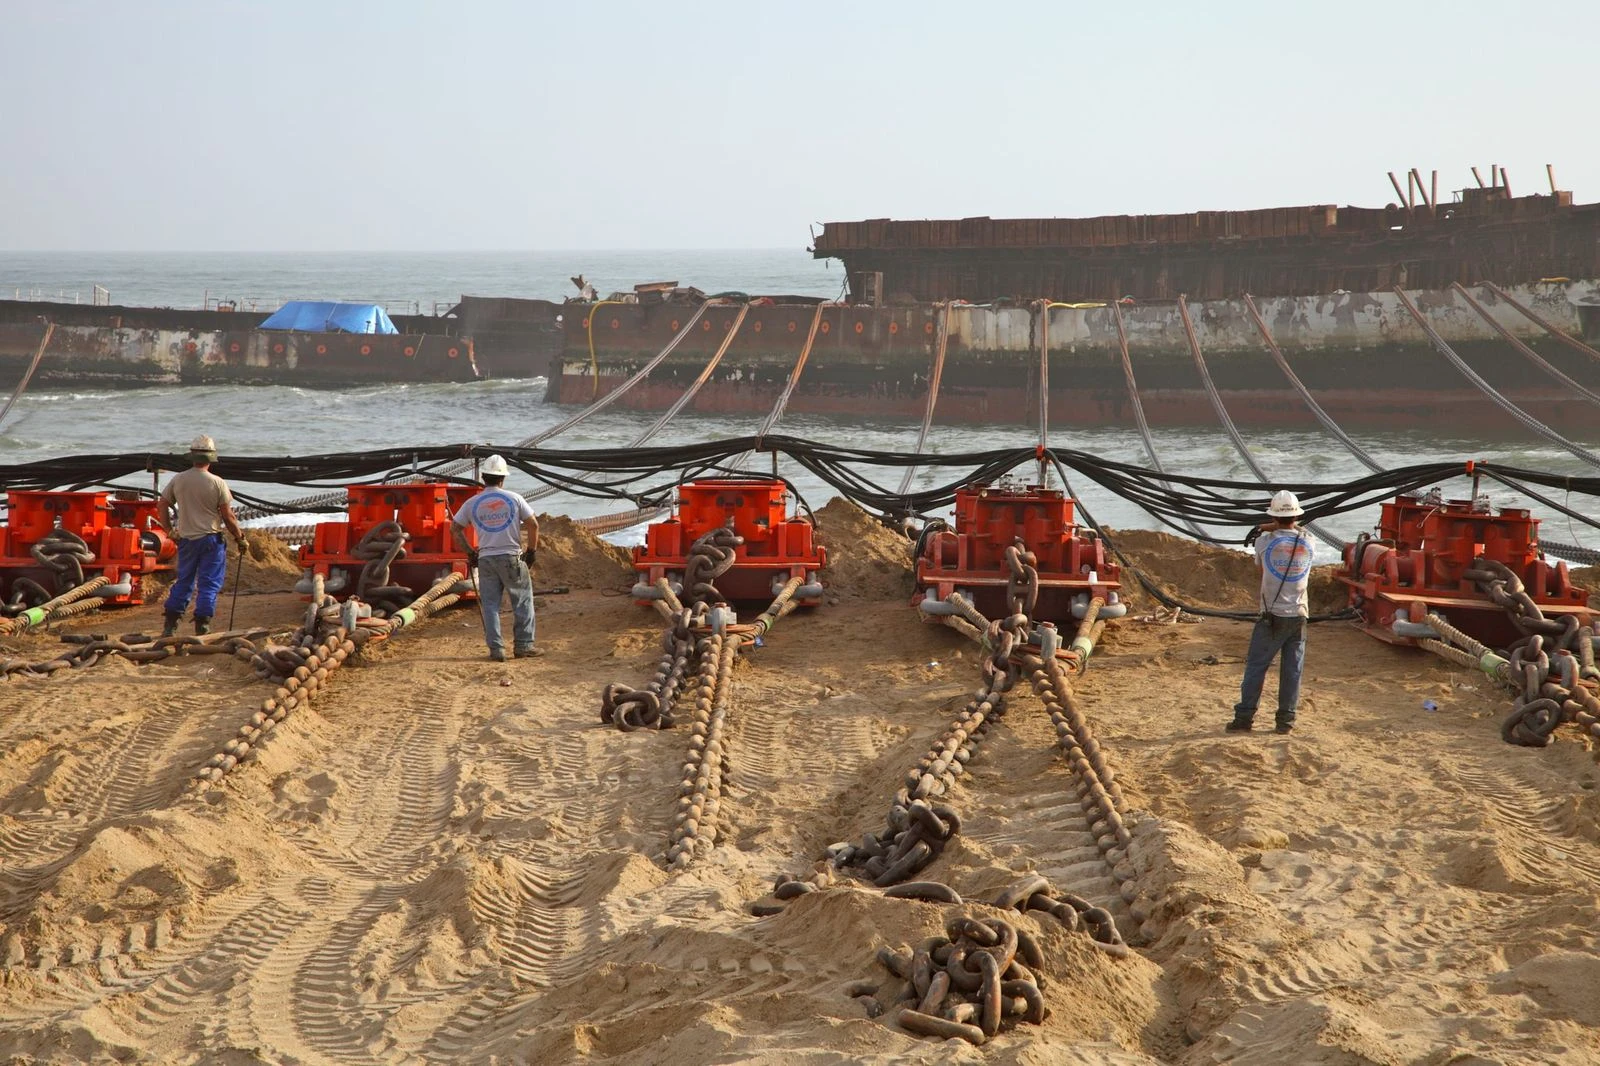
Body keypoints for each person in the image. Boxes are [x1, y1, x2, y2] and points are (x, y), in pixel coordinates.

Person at [1227, 490, 1314, 735]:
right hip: (1298, 615)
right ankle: (1285, 722)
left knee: (1256, 667)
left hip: (1271, 616)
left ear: (1273, 517)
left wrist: (1264, 526)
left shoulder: (1264, 543)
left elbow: (1261, 569)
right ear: (1296, 517)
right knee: (1292, 671)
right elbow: (1299, 529)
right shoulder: (1309, 541)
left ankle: (1244, 719)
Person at [451, 454, 541, 662]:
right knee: (522, 601)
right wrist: (532, 551)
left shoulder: (472, 503)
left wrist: (470, 553)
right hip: (511, 557)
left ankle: (497, 650)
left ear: (483, 477)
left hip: (486, 559)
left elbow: (455, 529)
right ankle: (524, 646)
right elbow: (533, 525)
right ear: (503, 479)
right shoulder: (514, 498)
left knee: (490, 605)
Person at [158, 435, 245, 637]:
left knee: (184, 581)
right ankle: (203, 626)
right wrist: (240, 537)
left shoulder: (178, 479)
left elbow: (162, 504)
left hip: (186, 540)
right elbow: (228, 516)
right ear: (211, 458)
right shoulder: (217, 482)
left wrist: (169, 530)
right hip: (211, 541)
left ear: (191, 456)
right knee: (209, 584)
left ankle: (170, 626)